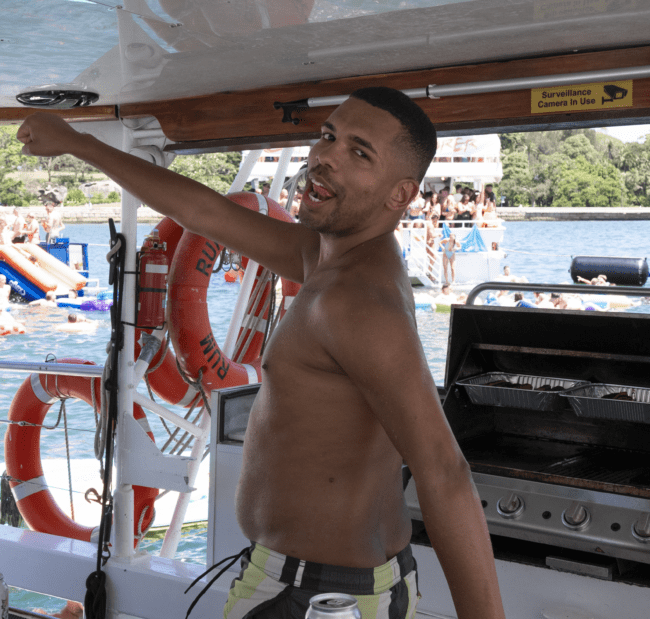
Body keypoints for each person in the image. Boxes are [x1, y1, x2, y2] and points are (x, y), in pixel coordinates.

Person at [17, 87, 505, 619]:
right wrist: (77, 143)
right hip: (302, 582)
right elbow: (202, 211)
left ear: (399, 194)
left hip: (320, 597)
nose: (326, 159)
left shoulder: (355, 300)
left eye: (359, 153)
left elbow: (443, 471)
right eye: (329, 137)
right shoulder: (329, 256)